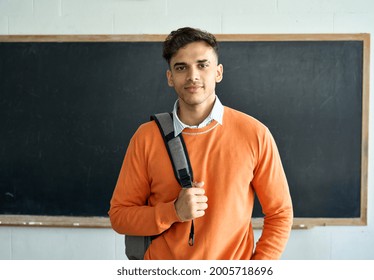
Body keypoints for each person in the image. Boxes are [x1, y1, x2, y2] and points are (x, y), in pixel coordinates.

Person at [109, 27, 293, 260]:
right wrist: (173, 212)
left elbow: (280, 214)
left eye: (202, 65)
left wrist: (256, 269)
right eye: (181, 67)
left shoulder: (255, 134)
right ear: (170, 78)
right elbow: (120, 217)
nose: (192, 75)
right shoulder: (146, 137)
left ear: (218, 72)